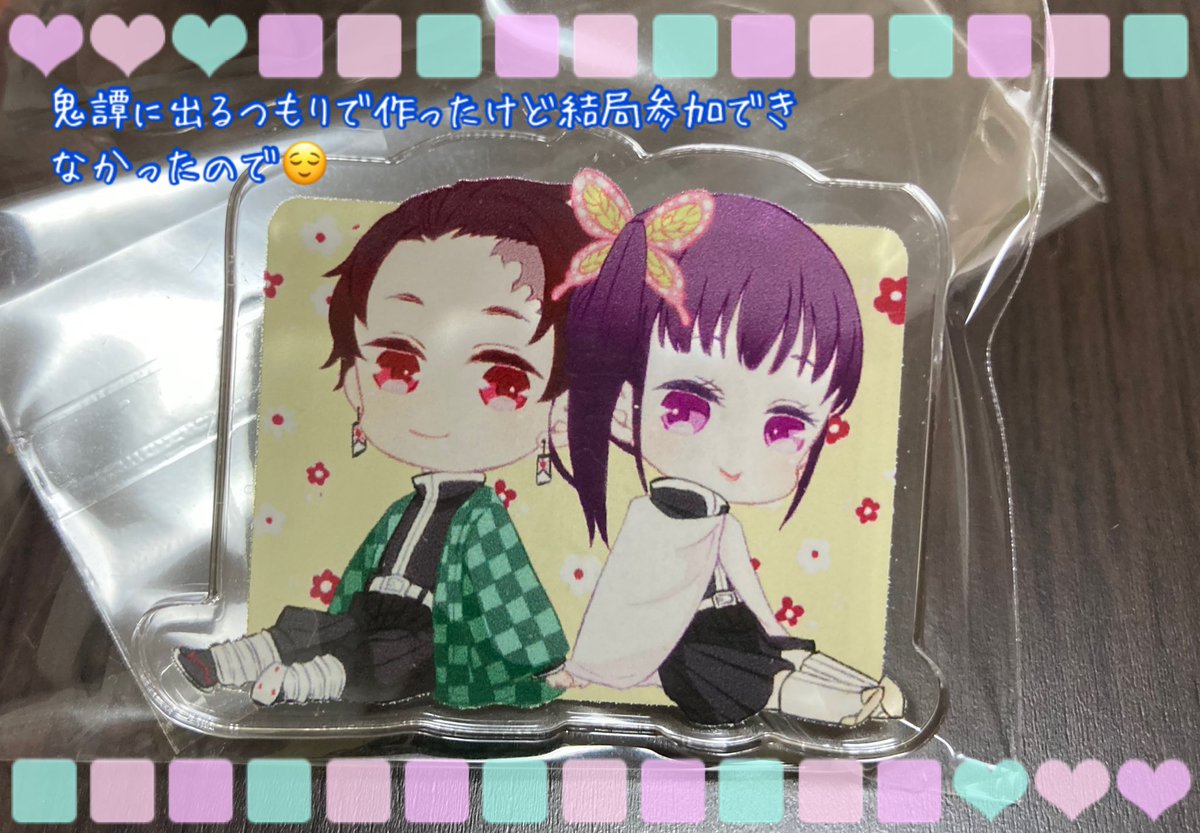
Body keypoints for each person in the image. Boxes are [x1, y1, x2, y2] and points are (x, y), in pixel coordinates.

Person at [177, 177, 588, 709]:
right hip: (373, 610)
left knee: (389, 658)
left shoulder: (483, 518)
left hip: (431, 633)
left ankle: (299, 684)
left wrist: (542, 661)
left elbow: (508, 591)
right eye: (398, 364)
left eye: (502, 379)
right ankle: (228, 662)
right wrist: (340, 617)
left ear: (558, 408)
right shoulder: (403, 508)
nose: (438, 403)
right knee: (313, 626)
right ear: (354, 380)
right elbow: (360, 573)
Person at [546, 169, 902, 726]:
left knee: (781, 657)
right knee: (748, 679)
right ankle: (843, 703)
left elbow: (751, 591)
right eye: (687, 408)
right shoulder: (647, 519)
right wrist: (584, 667)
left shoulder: (724, 525)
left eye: (784, 428)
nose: (735, 458)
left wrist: (778, 634)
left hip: (730, 622)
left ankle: (864, 688)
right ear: (623, 405)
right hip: (684, 645)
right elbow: (619, 599)